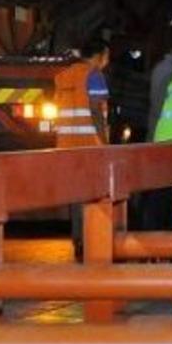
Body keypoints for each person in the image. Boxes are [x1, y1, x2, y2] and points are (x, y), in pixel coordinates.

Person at [53, 37, 111, 258]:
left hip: (67, 145)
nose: (107, 61)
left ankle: (78, 240)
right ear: (98, 56)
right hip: (90, 145)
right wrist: (104, 143)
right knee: (94, 195)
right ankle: (92, 241)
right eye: (106, 56)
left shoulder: (64, 76)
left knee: (77, 196)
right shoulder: (94, 75)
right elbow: (96, 111)